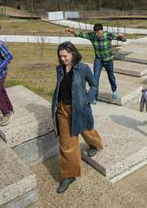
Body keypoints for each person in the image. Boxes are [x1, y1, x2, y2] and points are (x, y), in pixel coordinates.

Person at [51, 41, 103, 194]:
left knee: (86, 130)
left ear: (72, 53)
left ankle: (95, 144)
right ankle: (69, 175)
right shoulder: (59, 69)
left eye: (65, 56)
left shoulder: (83, 68)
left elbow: (94, 85)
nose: (62, 59)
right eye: (60, 56)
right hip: (62, 109)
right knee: (67, 143)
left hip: (79, 108)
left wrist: (88, 99)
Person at [66, 23, 126, 100]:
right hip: (98, 59)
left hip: (109, 60)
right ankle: (95, 96)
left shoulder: (108, 35)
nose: (97, 34)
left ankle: (114, 91)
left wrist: (122, 36)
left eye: (98, 32)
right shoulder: (92, 36)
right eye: (95, 32)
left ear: (102, 30)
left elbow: (123, 40)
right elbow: (81, 34)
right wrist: (71, 31)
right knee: (95, 77)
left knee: (111, 76)